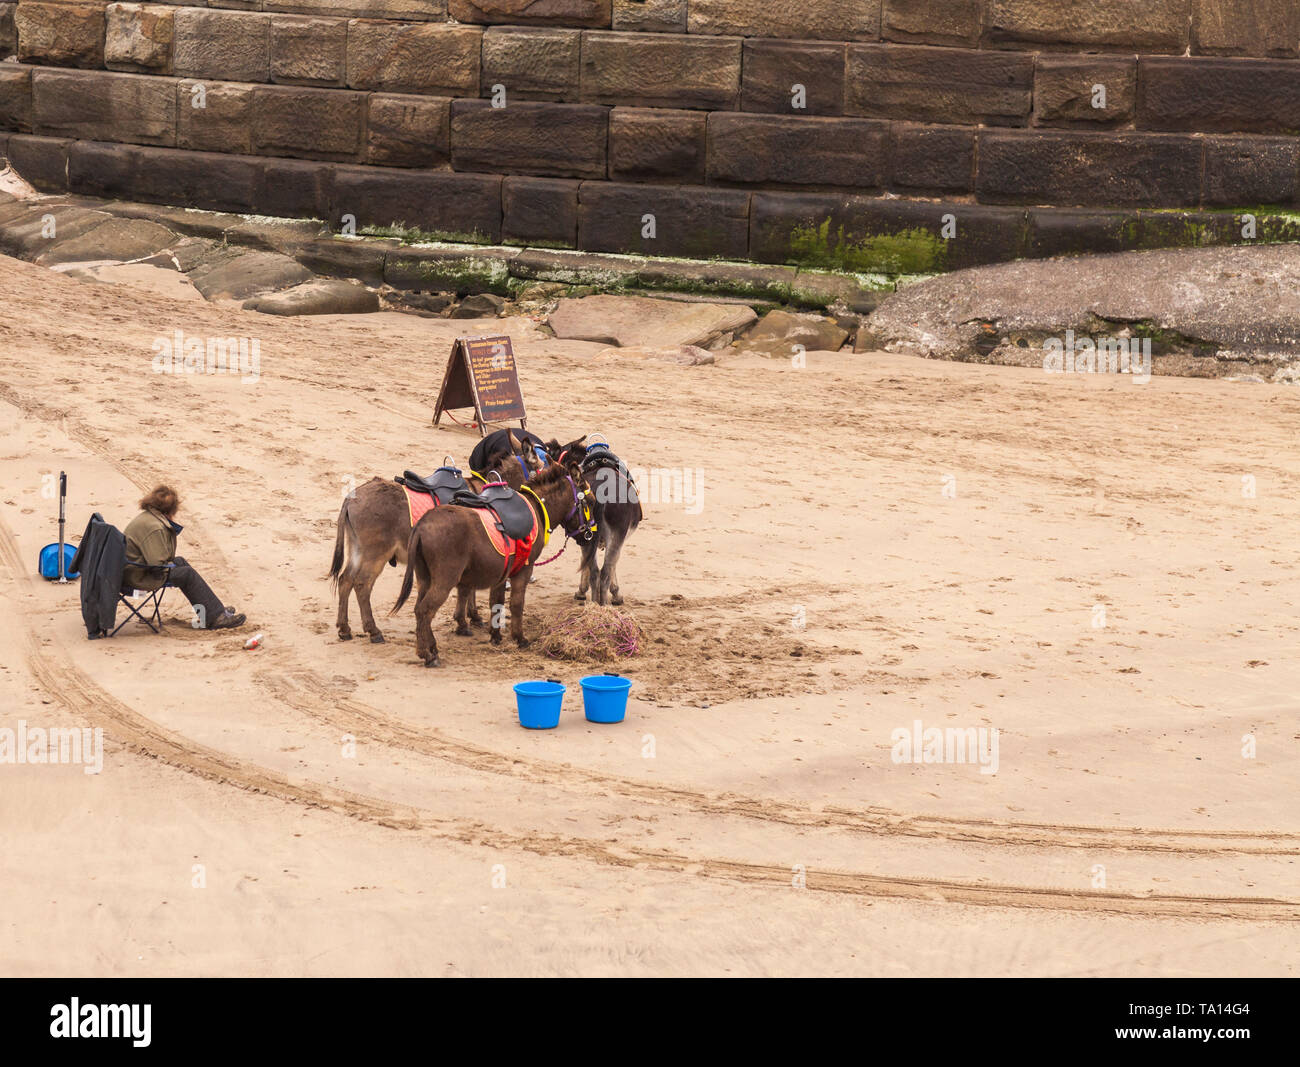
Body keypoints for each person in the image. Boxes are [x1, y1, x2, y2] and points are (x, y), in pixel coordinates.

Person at [123, 486, 246, 631]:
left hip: (132, 569)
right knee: (187, 574)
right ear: (171, 510)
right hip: (137, 577)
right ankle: (215, 617)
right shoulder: (155, 527)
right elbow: (157, 563)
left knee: (180, 562)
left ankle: (211, 610)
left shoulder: (147, 517)